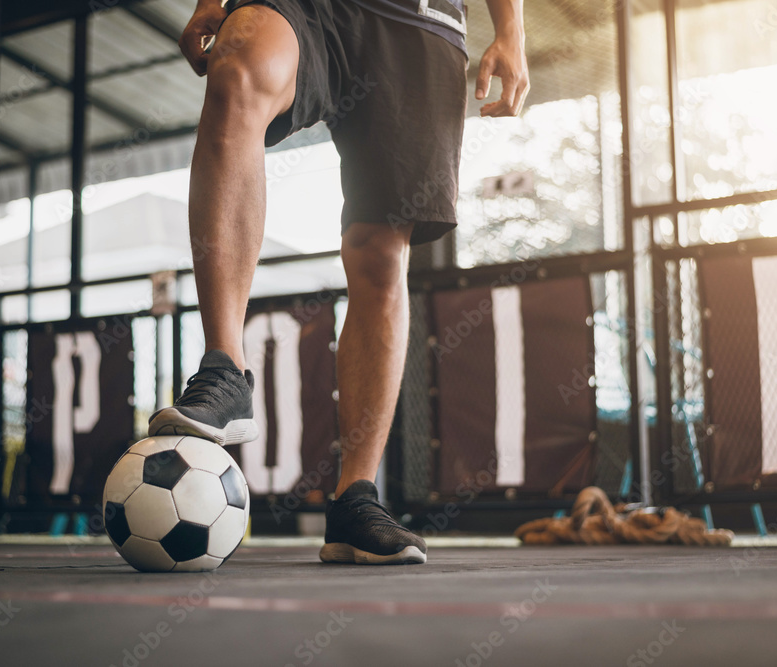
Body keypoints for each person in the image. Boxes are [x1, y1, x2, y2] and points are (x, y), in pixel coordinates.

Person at [149, 0, 529, 565]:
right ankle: (225, 370)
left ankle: (355, 499)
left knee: (379, 252)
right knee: (237, 74)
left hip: (419, 19)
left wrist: (511, 28)